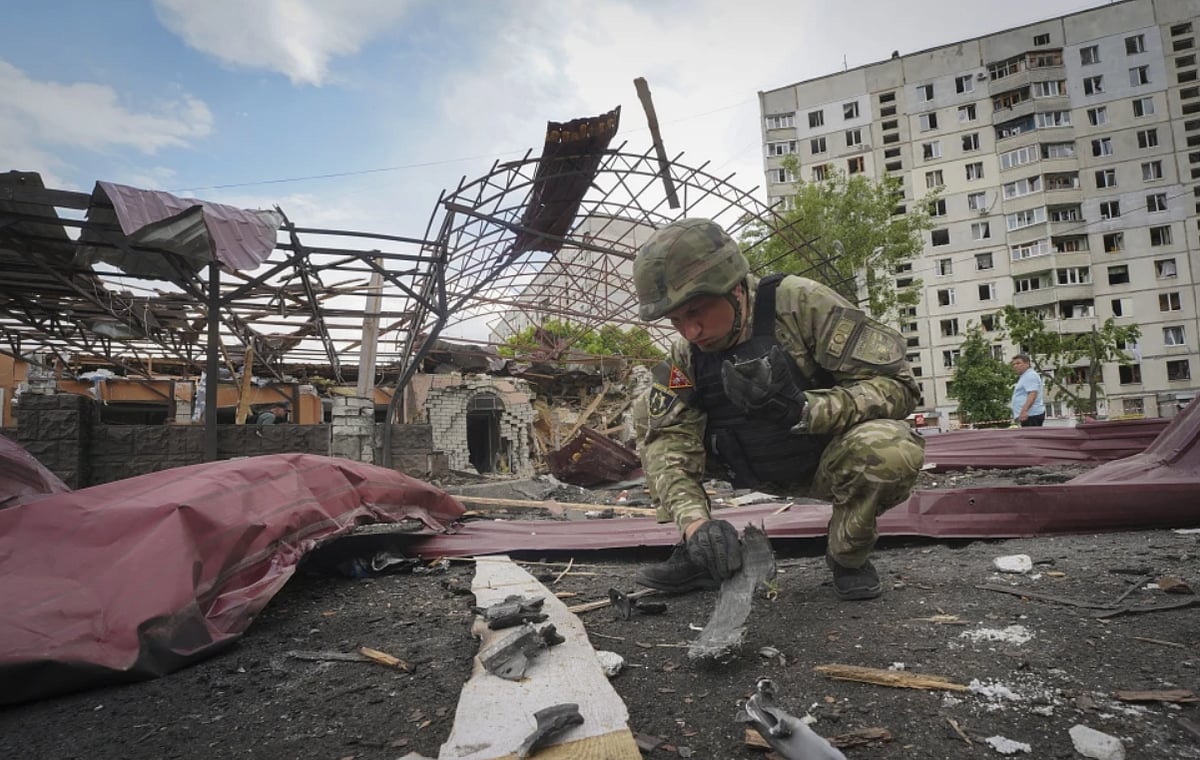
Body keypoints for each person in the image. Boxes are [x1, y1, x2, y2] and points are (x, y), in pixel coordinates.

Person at [631, 218, 926, 601]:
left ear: (735, 289)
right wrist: (695, 524)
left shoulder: (801, 305)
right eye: (676, 320)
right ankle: (700, 553)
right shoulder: (684, 356)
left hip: (823, 460)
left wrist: (806, 410)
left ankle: (847, 556)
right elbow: (666, 441)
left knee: (890, 449)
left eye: (697, 311)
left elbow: (899, 387)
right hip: (741, 461)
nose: (691, 332)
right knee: (651, 421)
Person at [1009, 354, 1045, 427]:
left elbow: (1032, 393)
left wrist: (1024, 411)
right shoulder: (1025, 376)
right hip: (1028, 415)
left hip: (1031, 415)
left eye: (1018, 363)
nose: (1015, 366)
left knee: (1031, 437)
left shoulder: (1030, 375)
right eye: (1014, 364)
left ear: (1027, 364)